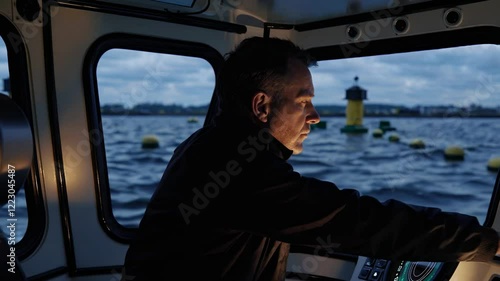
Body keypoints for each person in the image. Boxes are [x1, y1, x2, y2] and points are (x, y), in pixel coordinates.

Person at [122, 36, 500, 281]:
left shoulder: (210, 144)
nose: (315, 116)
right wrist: (487, 242)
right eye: (303, 101)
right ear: (261, 106)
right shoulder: (236, 167)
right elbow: (358, 221)